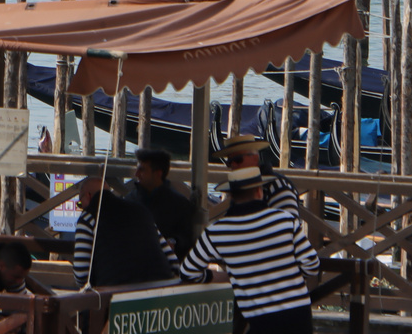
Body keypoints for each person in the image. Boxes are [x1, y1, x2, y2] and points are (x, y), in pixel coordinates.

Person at [180, 166, 319, 334]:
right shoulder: (285, 221)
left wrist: (228, 277)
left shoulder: (217, 231)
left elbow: (188, 272)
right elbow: (312, 264)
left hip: (260, 318)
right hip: (299, 315)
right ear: (260, 192)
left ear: (230, 196)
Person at [68, 171, 178, 289]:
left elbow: (81, 274)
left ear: (89, 196)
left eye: (80, 202)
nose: (82, 207)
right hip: (160, 291)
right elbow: (173, 260)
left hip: (115, 296)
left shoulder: (88, 217)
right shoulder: (141, 211)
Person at [126, 148, 198, 263]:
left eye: (142, 170)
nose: (136, 174)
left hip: (167, 264)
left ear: (158, 173)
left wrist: (174, 242)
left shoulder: (179, 204)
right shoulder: (129, 200)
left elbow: (187, 240)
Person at [220, 135, 301, 215]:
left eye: (238, 160)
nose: (233, 165)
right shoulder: (239, 188)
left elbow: (289, 224)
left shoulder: (279, 187)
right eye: (229, 163)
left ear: (255, 158)